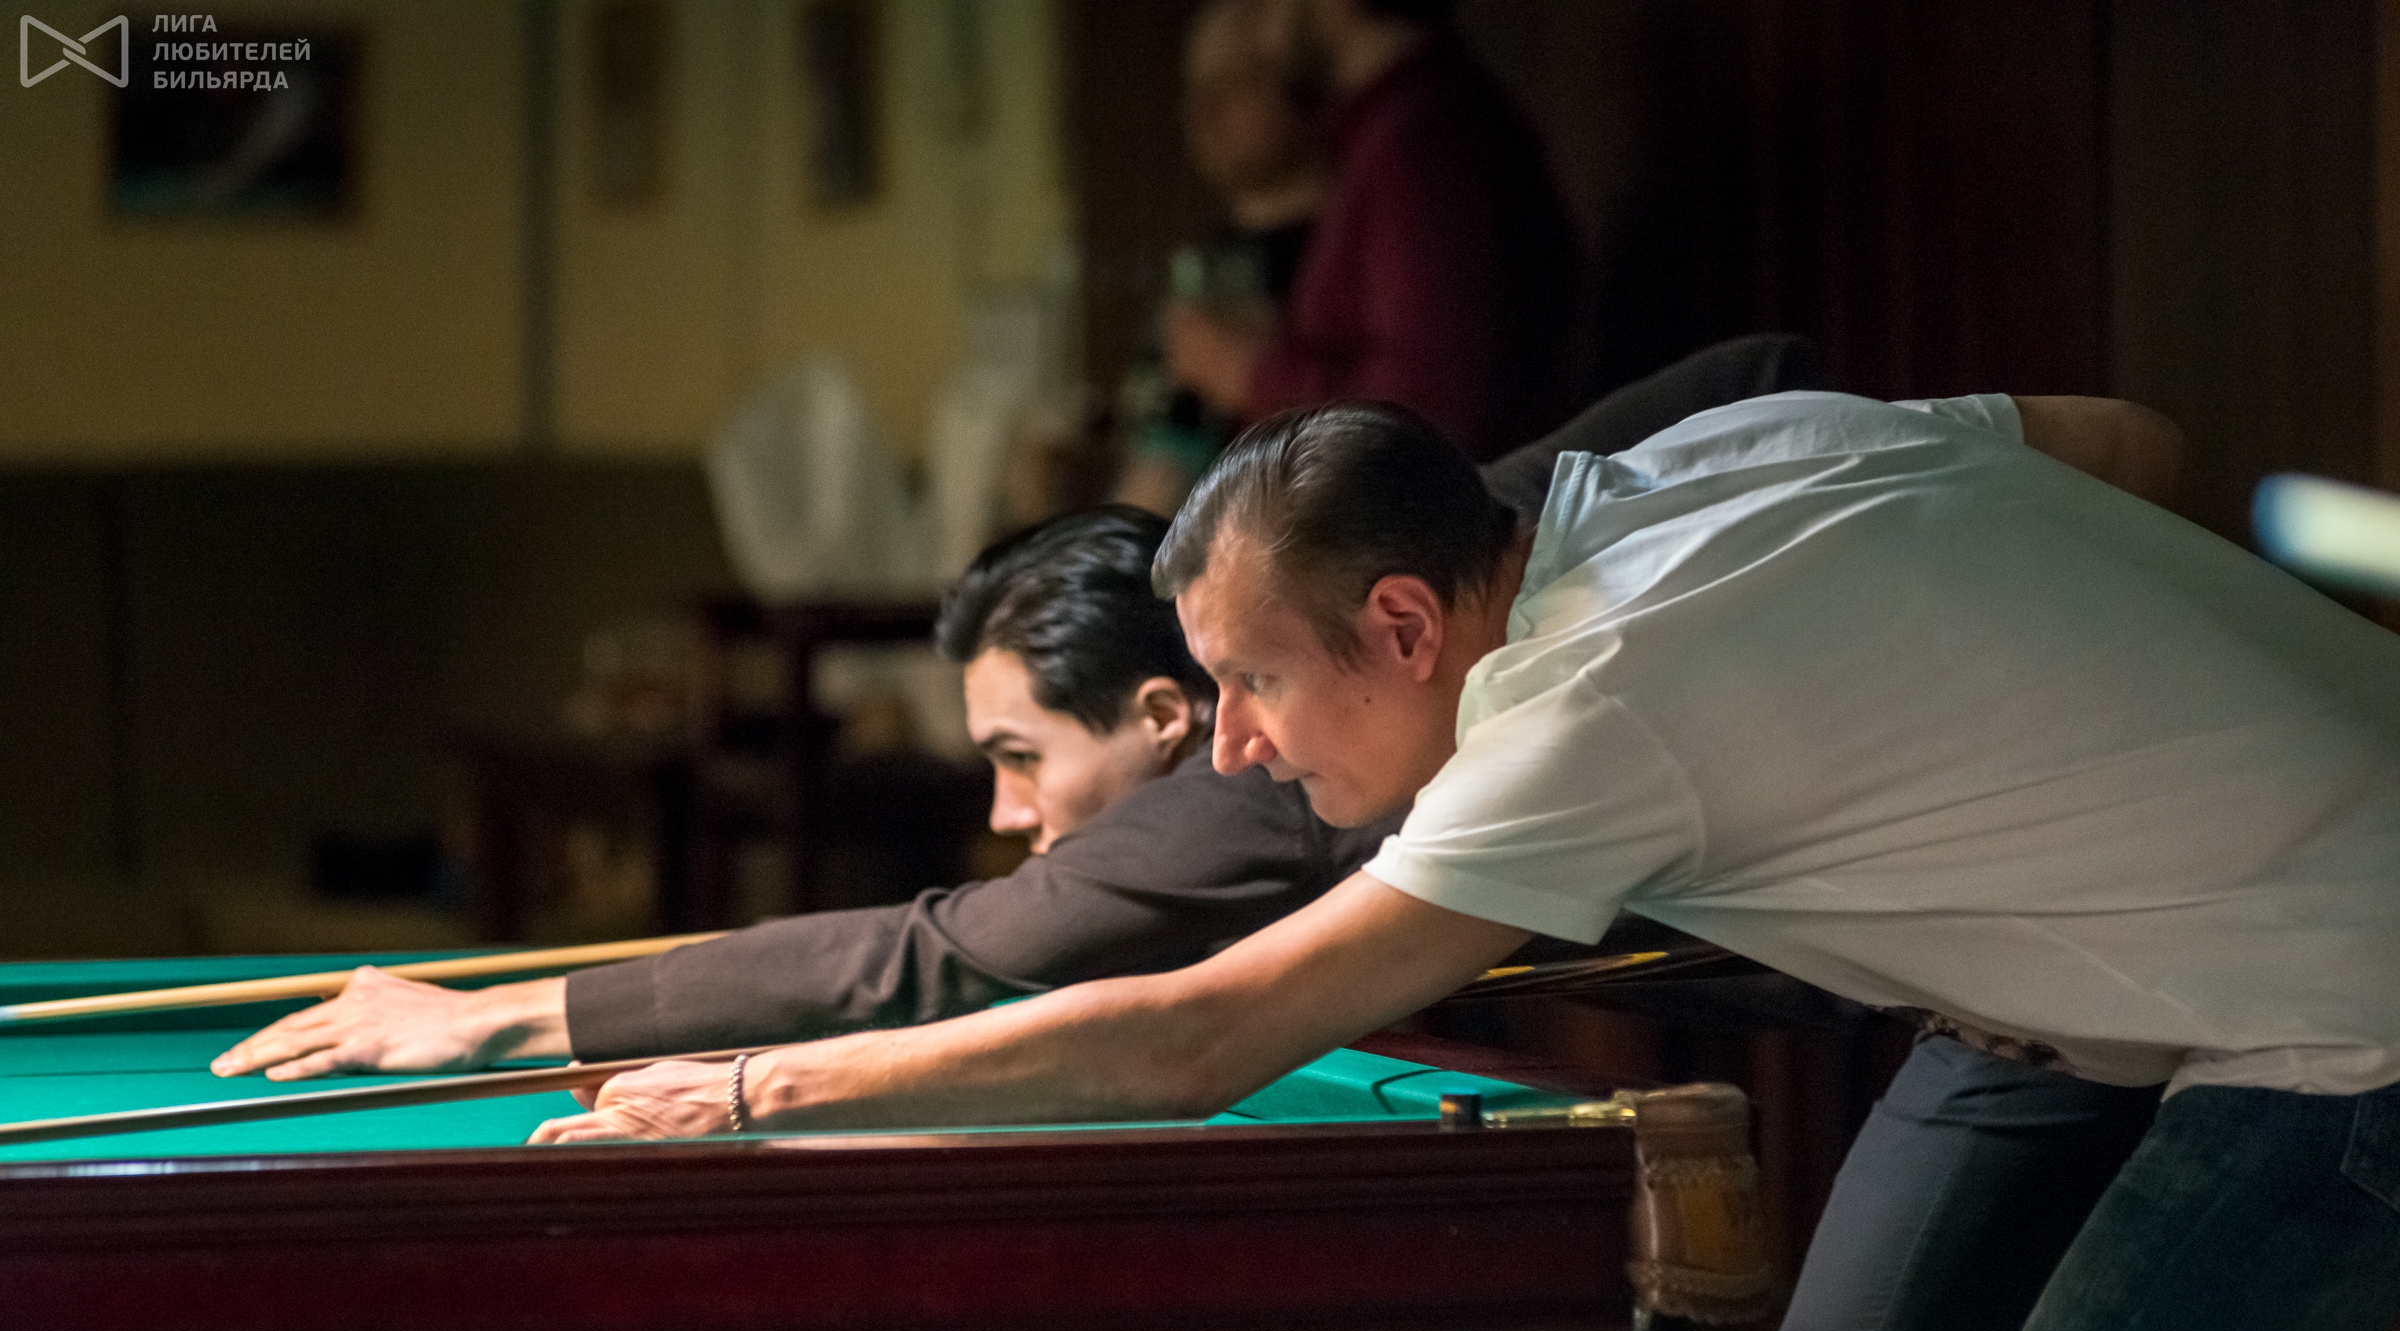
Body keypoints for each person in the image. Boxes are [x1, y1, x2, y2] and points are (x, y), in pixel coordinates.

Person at [537, 387, 2400, 1331]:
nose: (1236, 747)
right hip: (2145, 993)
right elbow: (2123, 440)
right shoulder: (1714, 451)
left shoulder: (1582, 713)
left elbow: (1201, 1036)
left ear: (1407, 622)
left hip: (2348, 1017)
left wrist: (764, 1086)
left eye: (1254, 684)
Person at [212, 336, 1825, 1085]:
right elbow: (1757, 366)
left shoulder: (1254, 775)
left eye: (1019, 755)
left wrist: (506, 1015)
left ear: (1171, 711)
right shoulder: (1458, 544)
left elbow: (932, 956)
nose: (1003, 814)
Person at [1164, 0, 1578, 460]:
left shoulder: (1422, 138)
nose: (1267, 20)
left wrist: (1249, 373)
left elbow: (1428, 411)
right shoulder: (1390, 135)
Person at [1115, 0, 1330, 517]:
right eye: (1195, 88)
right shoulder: (1203, 262)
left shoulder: (1340, 258)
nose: (1204, 109)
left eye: (1237, 83)